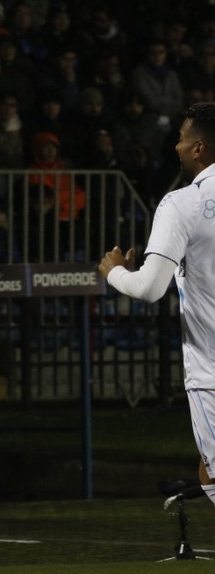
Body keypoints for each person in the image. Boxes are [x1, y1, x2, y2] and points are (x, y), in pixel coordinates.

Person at [99, 101, 215, 508]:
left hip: (211, 371)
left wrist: (113, 271)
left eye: (182, 139)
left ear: (199, 148)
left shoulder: (181, 204)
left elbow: (150, 288)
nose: (177, 147)